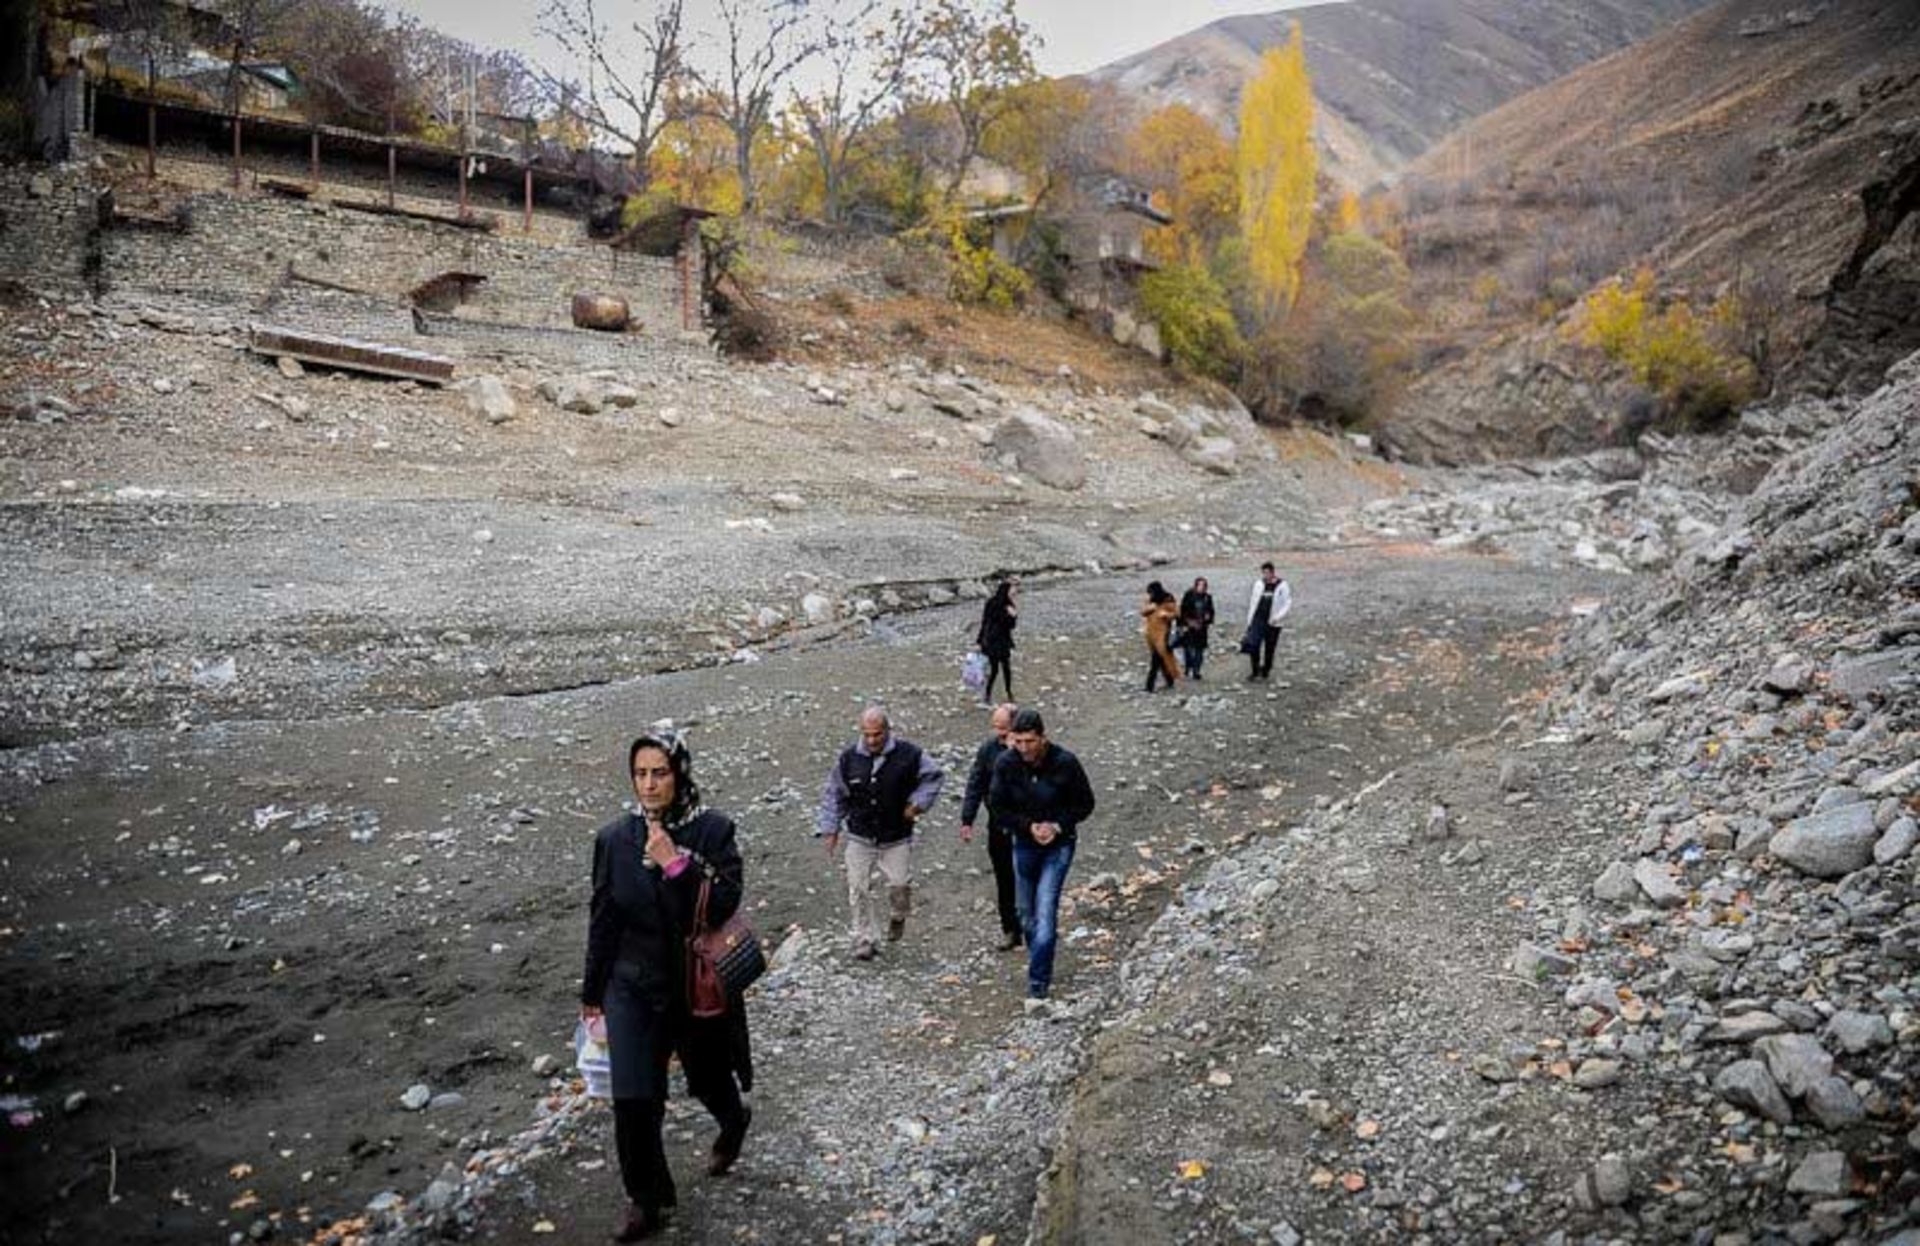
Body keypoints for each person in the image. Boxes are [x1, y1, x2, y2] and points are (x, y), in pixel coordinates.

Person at [582, 730, 753, 1242]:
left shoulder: (713, 831)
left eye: (660, 772)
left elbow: (722, 905)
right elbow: (603, 918)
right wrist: (592, 994)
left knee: (708, 1078)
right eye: (640, 774)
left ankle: (733, 1120)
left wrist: (675, 864)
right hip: (631, 984)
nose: (649, 784)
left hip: (692, 984)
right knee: (634, 1097)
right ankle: (646, 1198)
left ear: (679, 774)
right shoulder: (614, 839)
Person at [816, 705, 945, 961]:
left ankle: (898, 916)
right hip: (860, 834)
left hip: (896, 835)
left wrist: (918, 803)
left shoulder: (910, 754)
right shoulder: (848, 759)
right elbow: (834, 794)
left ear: (887, 730)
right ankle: (865, 938)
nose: (872, 740)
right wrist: (830, 829)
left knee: (900, 884)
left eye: (877, 734)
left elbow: (934, 777)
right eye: (867, 734)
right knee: (858, 887)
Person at [989, 708, 1096, 999]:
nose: (1024, 748)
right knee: (1026, 914)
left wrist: (1057, 826)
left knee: (1045, 909)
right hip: (1024, 843)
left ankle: (1038, 984)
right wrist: (1028, 826)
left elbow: (1085, 803)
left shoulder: (1065, 763)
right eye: (1019, 742)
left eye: (1030, 742)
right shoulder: (1006, 763)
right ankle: (1039, 950)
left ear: (1043, 738)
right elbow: (997, 806)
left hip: (1058, 846)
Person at [959, 702, 1022, 951]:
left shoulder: (1029, 750)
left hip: (1028, 827)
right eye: (996, 728)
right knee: (1004, 878)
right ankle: (1010, 929)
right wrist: (967, 819)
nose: (999, 734)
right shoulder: (988, 750)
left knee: (1029, 876)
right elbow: (976, 783)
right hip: (999, 825)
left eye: (1004, 729)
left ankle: (1034, 925)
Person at [1243, 562, 1292, 681]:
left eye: (1267, 573)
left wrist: (1278, 617)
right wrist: (1250, 620)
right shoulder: (1259, 584)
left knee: (1270, 647)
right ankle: (1255, 670)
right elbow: (1253, 602)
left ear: (1272, 572)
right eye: (1264, 573)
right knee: (1254, 645)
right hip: (1258, 620)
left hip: (1273, 622)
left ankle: (1266, 669)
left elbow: (1287, 603)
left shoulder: (1282, 585)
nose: (1266, 575)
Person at [975, 578, 1018, 706]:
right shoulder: (1002, 605)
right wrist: (1012, 615)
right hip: (996, 641)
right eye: (1012, 590)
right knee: (999, 669)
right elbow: (1003, 623)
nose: (1015, 592)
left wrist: (1013, 616)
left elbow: (986, 623)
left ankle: (1000, 693)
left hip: (996, 641)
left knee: (1001, 668)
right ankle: (1001, 693)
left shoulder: (998, 603)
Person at [1141, 580, 1181, 693]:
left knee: (1156, 660)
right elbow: (1143, 612)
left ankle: (1149, 686)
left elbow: (1177, 613)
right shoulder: (1150, 600)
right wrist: (1151, 608)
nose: (1150, 595)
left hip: (1163, 634)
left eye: (1151, 592)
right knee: (1162, 659)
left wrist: (1167, 615)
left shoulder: (1168, 599)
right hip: (1151, 634)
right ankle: (1169, 680)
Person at [1177, 576, 1216, 679]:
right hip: (1189, 627)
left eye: (1204, 586)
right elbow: (1182, 610)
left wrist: (1208, 618)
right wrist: (1185, 623)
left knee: (1199, 650)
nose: (1202, 588)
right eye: (1200, 585)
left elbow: (1211, 611)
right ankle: (1188, 667)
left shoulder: (1207, 598)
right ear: (1196, 586)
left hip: (1202, 628)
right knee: (1188, 649)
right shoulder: (1189, 595)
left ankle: (1196, 671)